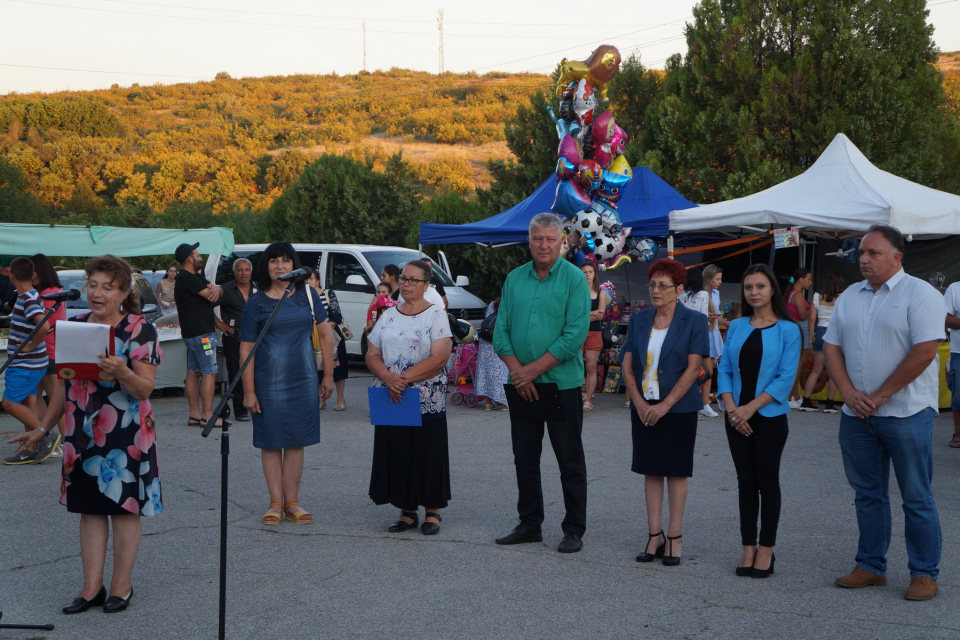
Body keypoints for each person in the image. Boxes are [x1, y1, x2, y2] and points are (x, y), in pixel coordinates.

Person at [8, 255, 164, 614]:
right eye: (93, 284)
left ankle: (121, 587)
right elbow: (63, 389)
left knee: (124, 511)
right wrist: (42, 428)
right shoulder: (74, 326)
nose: (97, 293)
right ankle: (91, 587)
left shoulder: (140, 329)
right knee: (90, 511)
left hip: (127, 435)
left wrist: (123, 371)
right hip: (82, 435)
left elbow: (144, 390)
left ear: (123, 292)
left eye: (107, 287)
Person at [825, 225, 946, 601]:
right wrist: (847, 393)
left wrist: (877, 396)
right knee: (867, 494)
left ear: (897, 256)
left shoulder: (921, 294)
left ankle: (924, 572)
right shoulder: (849, 296)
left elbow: (925, 352)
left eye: (873, 253)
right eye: (861, 253)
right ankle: (871, 566)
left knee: (916, 495)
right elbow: (831, 348)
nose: (863, 259)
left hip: (907, 413)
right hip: (856, 416)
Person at [493, 213, 590, 554]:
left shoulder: (575, 280)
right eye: (538, 239)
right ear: (529, 240)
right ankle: (530, 524)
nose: (544, 245)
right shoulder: (515, 278)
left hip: (560, 383)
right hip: (521, 384)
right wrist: (518, 372)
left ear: (562, 241)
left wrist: (532, 370)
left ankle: (574, 528)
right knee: (524, 457)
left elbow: (574, 335)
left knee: (569, 459)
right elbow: (501, 329)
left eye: (551, 239)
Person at [621, 258, 709, 567]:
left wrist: (664, 406)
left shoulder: (695, 321)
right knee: (651, 469)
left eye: (663, 285)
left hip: (679, 409)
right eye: (652, 284)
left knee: (676, 471)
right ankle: (654, 534)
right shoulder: (639, 320)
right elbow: (627, 366)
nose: (656, 291)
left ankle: (674, 537)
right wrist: (640, 402)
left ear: (679, 289)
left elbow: (694, 369)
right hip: (644, 407)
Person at [240, 242, 334, 526]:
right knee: (271, 442)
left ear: (294, 264)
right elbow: (246, 349)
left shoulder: (308, 293)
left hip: (303, 378)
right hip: (267, 382)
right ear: (265, 266)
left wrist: (328, 375)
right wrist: (248, 391)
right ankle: (275, 502)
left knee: (296, 441)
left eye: (285, 260)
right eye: (273, 261)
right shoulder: (256, 301)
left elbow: (326, 337)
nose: (280, 266)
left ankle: (292, 502)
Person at [717, 264, 801, 579]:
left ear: (772, 291)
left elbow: (784, 379)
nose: (754, 292)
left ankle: (766, 548)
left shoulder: (789, 330)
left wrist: (750, 408)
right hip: (735, 416)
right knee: (745, 484)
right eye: (749, 287)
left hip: (768, 417)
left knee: (767, 482)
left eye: (760, 286)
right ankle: (747, 547)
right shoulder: (737, 326)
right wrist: (731, 408)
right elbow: (724, 368)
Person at [366, 260, 454, 535]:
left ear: (427, 284)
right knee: (399, 448)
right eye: (403, 278)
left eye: (413, 280)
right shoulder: (389, 315)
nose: (406, 283)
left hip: (424, 397)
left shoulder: (436, 315)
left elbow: (440, 357)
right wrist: (389, 378)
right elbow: (371, 353)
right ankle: (406, 509)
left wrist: (402, 379)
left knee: (428, 450)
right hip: (392, 396)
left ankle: (433, 510)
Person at [2, 257, 56, 465]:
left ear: (12, 275)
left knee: (9, 403)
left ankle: (44, 435)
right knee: (28, 402)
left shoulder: (28, 299)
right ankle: (30, 449)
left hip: (26, 363)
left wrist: (31, 345)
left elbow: (43, 326)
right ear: (32, 275)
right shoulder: (31, 294)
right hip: (35, 362)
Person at [173, 242, 224, 427]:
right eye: (197, 255)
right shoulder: (187, 278)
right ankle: (207, 416)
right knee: (210, 372)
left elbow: (212, 289)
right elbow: (214, 296)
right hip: (201, 334)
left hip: (193, 333)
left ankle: (194, 415)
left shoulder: (194, 276)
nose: (200, 258)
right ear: (189, 258)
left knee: (193, 373)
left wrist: (215, 288)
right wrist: (218, 290)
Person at [31, 253, 67, 456]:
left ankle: (64, 439)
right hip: (46, 351)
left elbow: (45, 325)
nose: (30, 276)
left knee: (55, 398)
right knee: (34, 395)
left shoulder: (49, 293)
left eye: (32, 272)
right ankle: (47, 434)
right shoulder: (54, 290)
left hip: (49, 351)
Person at [214, 258, 256, 422]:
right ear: (234, 272)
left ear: (251, 272)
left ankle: (257, 406)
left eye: (247, 270)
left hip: (256, 338)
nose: (244, 273)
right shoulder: (225, 290)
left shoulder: (259, 288)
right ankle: (240, 411)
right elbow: (205, 305)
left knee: (258, 372)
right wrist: (219, 324)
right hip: (234, 337)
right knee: (237, 373)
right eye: (240, 270)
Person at [799, 271, 844, 413]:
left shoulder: (817, 296)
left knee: (816, 369)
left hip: (820, 331)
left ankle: (806, 401)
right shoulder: (842, 298)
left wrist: (812, 336)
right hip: (835, 334)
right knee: (834, 371)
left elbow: (812, 318)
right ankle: (829, 405)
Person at [306, 269, 349, 411]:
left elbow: (336, 316)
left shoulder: (328, 293)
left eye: (311, 279)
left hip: (332, 335)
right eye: (305, 279)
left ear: (317, 280)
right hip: (313, 337)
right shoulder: (304, 296)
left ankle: (340, 399)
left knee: (338, 369)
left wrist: (322, 331)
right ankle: (321, 399)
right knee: (317, 368)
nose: (308, 282)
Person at [680, 267, 718, 418]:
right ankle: (704, 404)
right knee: (707, 371)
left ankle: (694, 403)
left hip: (683, 337)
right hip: (699, 336)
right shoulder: (703, 294)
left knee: (688, 371)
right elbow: (702, 317)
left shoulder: (681, 294)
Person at [581, 261, 611, 411]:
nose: (587, 274)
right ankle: (576, 394)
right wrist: (590, 314)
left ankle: (588, 399)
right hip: (577, 332)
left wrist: (583, 315)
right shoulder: (576, 291)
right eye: (584, 272)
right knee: (574, 365)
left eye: (590, 272)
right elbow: (569, 315)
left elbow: (600, 315)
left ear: (595, 274)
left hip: (593, 332)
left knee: (591, 367)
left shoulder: (601, 293)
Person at [785, 268, 813, 407]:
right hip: (803, 331)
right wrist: (814, 308)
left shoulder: (790, 294)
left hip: (795, 331)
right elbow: (803, 315)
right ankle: (789, 397)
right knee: (799, 366)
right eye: (808, 279)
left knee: (796, 365)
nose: (810, 282)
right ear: (800, 280)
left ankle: (795, 396)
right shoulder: (798, 295)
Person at [475, 297, 509, 411]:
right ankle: (504, 402)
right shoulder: (511, 304)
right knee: (502, 372)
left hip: (486, 341)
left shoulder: (492, 304)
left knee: (486, 370)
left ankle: (488, 403)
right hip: (499, 340)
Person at [945, 279, 960, 448]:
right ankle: (958, 433)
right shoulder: (955, 288)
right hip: (959, 351)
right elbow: (945, 318)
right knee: (959, 394)